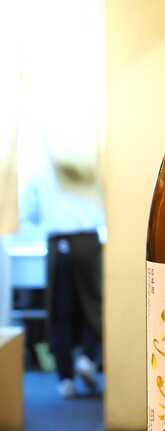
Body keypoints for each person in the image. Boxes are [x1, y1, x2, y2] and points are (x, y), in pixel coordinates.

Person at [21, 157, 105, 398]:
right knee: (92, 304)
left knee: (60, 313)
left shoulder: (39, 170)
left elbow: (29, 213)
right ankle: (88, 358)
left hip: (58, 244)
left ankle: (65, 378)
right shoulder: (88, 165)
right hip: (88, 242)